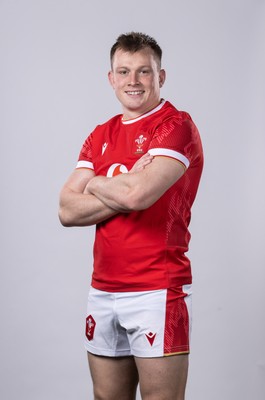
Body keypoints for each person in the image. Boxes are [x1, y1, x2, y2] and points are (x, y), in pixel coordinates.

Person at [59, 31, 203, 400]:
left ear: (161, 76)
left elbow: (140, 195)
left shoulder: (175, 125)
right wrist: (124, 180)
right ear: (111, 78)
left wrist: (97, 183)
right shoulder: (100, 133)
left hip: (157, 289)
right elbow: (66, 209)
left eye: (144, 71)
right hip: (103, 289)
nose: (133, 81)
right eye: (123, 72)